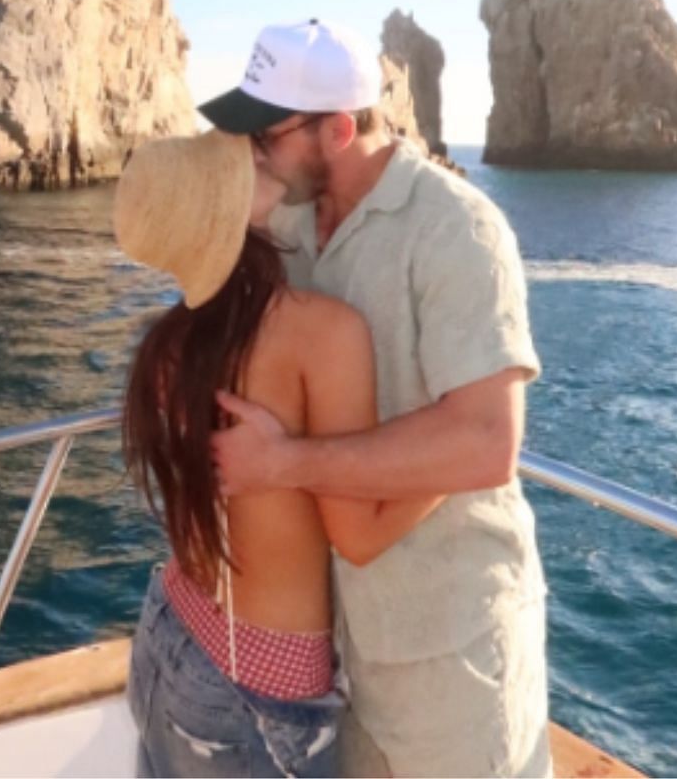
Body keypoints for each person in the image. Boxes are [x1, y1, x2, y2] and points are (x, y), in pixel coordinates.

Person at [200, 19, 548, 777]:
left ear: (337, 129)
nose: (252, 153)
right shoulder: (287, 223)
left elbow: (490, 442)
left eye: (267, 134)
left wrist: (285, 463)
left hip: (451, 648)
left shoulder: (458, 229)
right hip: (341, 646)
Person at [113, 130, 444, 777]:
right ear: (222, 210)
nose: (254, 150)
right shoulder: (321, 333)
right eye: (234, 162)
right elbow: (360, 535)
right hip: (254, 691)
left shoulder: (169, 344)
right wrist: (457, 462)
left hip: (171, 635)